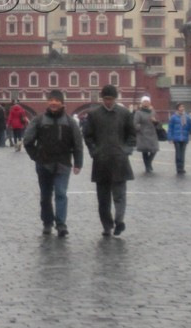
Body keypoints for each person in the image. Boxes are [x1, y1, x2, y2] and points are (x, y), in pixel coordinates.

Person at [22, 90, 83, 236]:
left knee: (61, 193)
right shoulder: (39, 120)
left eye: (57, 100)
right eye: (51, 100)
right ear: (48, 102)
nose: (54, 103)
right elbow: (27, 140)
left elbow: (77, 143)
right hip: (44, 164)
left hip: (63, 164)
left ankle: (61, 224)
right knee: (45, 195)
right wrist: (36, 156)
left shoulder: (70, 122)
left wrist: (78, 163)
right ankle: (47, 222)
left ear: (62, 103)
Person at [81, 85, 136, 237]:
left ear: (115, 98)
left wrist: (127, 150)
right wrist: (94, 151)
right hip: (101, 161)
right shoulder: (94, 115)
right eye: (105, 99)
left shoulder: (124, 113)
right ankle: (107, 225)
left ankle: (119, 221)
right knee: (103, 198)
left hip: (120, 160)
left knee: (120, 195)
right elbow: (88, 135)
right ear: (102, 99)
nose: (108, 101)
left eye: (111, 99)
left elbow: (132, 134)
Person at [132, 96, 160, 174]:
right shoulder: (138, 112)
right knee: (145, 151)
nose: (146, 103)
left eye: (147, 101)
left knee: (154, 149)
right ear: (142, 103)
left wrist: (155, 121)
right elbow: (135, 123)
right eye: (144, 101)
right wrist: (139, 127)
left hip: (152, 133)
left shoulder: (153, 111)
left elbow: (158, 122)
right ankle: (147, 167)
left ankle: (149, 163)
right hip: (142, 134)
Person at [166, 103, 191, 175]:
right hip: (176, 138)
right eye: (180, 107)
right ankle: (178, 168)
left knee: (183, 154)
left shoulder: (187, 117)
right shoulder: (173, 117)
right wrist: (170, 137)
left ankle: (182, 167)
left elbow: (190, 127)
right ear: (177, 108)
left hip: (184, 138)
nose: (182, 108)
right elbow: (170, 128)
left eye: (183, 107)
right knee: (178, 154)